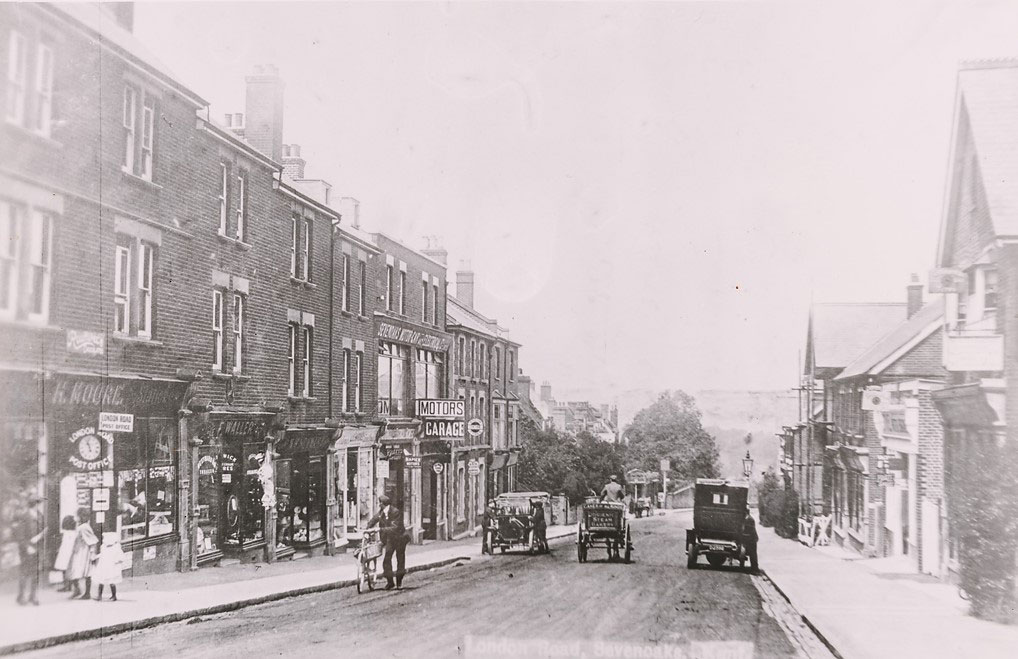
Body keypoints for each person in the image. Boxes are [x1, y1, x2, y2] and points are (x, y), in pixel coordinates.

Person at [366, 494, 408, 590]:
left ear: (383, 503)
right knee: (386, 560)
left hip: (400, 539)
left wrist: (379, 529)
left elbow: (395, 528)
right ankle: (390, 582)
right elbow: (374, 519)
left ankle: (399, 582)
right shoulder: (382, 512)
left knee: (400, 560)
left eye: (379, 503)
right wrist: (367, 528)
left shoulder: (395, 512)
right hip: (391, 539)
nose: (378, 504)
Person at [13, 494, 45, 606]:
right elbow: (20, 536)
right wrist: (27, 547)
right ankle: (21, 596)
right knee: (24, 573)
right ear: (34, 504)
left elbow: (42, 530)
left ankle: (33, 596)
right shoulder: (24, 516)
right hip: (26, 549)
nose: (40, 505)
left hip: (37, 548)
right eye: (39, 503)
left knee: (35, 573)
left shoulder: (40, 516)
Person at [66, 508, 98, 600]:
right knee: (74, 571)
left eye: (77, 515)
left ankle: (86, 593)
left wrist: (92, 554)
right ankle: (78, 590)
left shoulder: (84, 527)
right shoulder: (81, 526)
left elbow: (93, 541)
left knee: (85, 572)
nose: (76, 517)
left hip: (83, 553)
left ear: (81, 516)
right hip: (78, 552)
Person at [92, 532, 126, 601]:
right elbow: (102, 554)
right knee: (101, 580)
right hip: (103, 566)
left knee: (111, 581)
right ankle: (99, 595)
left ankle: (114, 595)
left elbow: (120, 557)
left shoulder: (116, 547)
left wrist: (117, 561)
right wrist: (96, 557)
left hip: (111, 567)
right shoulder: (104, 546)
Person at [54, 515, 77, 592]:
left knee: (64, 570)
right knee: (69, 570)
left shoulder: (66, 533)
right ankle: (69, 585)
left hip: (65, 553)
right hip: (69, 553)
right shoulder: (74, 532)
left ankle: (67, 585)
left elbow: (64, 543)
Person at [741, 506, 759, 573]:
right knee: (752, 554)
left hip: (752, 539)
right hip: (750, 538)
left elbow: (749, 531)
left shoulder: (750, 520)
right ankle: (754, 568)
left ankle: (755, 569)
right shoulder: (748, 519)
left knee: (753, 554)